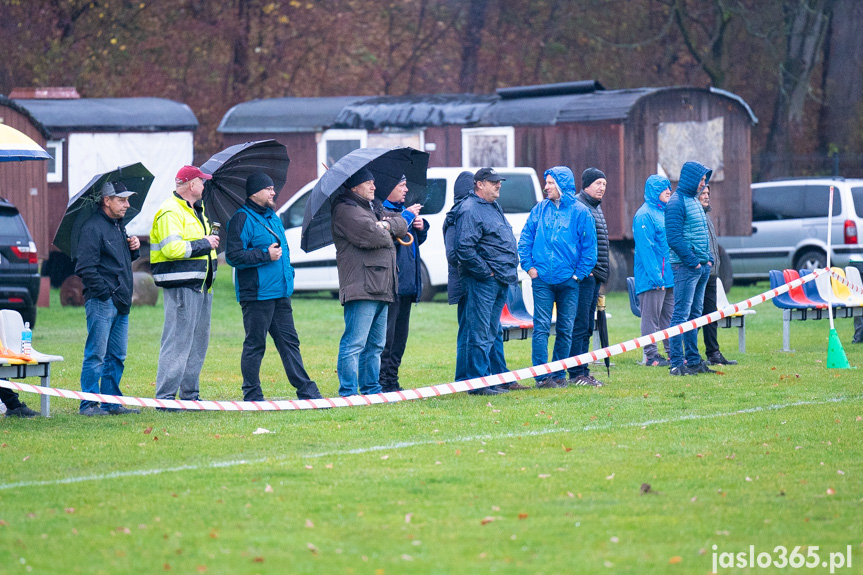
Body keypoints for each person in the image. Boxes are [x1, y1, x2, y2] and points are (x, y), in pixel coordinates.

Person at [225, 172, 324, 401]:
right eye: (268, 189)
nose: (273, 192)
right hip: (257, 294)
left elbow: (284, 252)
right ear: (254, 192)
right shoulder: (241, 219)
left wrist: (288, 274)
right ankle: (251, 394)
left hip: (280, 292)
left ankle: (307, 390)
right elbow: (233, 256)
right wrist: (264, 255)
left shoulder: (273, 217)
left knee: (290, 343)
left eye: (272, 188)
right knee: (255, 344)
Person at [332, 167, 407, 397]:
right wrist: (386, 228)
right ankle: (347, 391)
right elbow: (371, 236)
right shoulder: (346, 210)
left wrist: (385, 224)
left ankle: (371, 389)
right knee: (355, 344)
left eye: (374, 182)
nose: (374, 187)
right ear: (355, 187)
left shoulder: (373, 207)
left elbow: (402, 224)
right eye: (368, 183)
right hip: (360, 286)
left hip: (381, 285)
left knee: (375, 346)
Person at [518, 166, 596, 388]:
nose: (546, 187)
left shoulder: (581, 212)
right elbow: (525, 240)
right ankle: (542, 377)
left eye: (551, 183)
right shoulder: (539, 210)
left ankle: (559, 375)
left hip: (568, 282)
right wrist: (530, 268)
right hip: (542, 280)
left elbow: (590, 249)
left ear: (562, 185)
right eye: (547, 182)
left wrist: (577, 276)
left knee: (565, 328)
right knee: (541, 327)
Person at [150, 165, 219, 406]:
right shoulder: (171, 211)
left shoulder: (196, 211)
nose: (204, 186)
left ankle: (190, 395)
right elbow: (172, 249)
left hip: (201, 286)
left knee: (198, 342)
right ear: (191, 185)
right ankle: (166, 397)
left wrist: (208, 243)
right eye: (202, 182)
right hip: (181, 286)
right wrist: (204, 243)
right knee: (178, 340)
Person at [75, 181, 142, 416]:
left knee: (117, 356)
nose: (127, 204)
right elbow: (85, 268)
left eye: (127, 200)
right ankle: (89, 404)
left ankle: (111, 403)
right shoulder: (92, 227)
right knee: (96, 354)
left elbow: (117, 261)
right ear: (107, 201)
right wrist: (106, 294)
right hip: (103, 302)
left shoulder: (118, 226)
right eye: (122, 200)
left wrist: (133, 248)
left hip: (121, 302)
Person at [454, 168, 520, 395]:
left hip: (500, 280)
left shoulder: (492, 206)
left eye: (499, 181)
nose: (498, 185)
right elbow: (464, 248)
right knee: (480, 333)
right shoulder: (470, 209)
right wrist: (487, 273)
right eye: (493, 182)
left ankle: (487, 380)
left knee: (491, 332)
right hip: (484, 282)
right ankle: (477, 384)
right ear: (479, 184)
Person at [379, 176, 430, 393]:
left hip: (408, 285)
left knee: (400, 338)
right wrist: (407, 217)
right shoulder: (380, 211)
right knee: (387, 338)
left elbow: (410, 243)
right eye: (401, 185)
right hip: (391, 286)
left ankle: (392, 379)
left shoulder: (403, 211)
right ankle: (382, 381)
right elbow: (387, 239)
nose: (406, 189)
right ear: (389, 188)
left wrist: (421, 228)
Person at [665, 160, 714, 376]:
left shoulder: (694, 201)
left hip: (700, 267)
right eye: (701, 180)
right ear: (691, 179)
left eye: (705, 180)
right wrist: (693, 261)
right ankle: (677, 363)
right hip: (686, 268)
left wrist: (708, 258)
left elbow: (703, 234)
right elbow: (674, 238)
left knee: (695, 315)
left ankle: (694, 360)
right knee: (681, 316)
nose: (703, 185)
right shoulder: (676, 202)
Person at [566, 168, 610, 387]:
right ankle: (575, 373)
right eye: (597, 183)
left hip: (595, 274)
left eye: (604, 183)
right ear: (585, 185)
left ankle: (583, 369)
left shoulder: (594, 207)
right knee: (580, 324)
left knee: (587, 325)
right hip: (585, 275)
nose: (602, 187)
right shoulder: (579, 207)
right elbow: (573, 242)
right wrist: (585, 269)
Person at [633, 175, 675, 367]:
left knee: (669, 316)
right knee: (651, 317)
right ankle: (651, 356)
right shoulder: (644, 215)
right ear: (654, 191)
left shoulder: (664, 212)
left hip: (668, 277)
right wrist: (655, 275)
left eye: (669, 187)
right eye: (664, 188)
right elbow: (646, 248)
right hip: (652, 278)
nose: (669, 191)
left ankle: (671, 352)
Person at [699, 184, 738, 365]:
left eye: (708, 193)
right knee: (694, 315)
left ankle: (713, 353)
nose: (707, 196)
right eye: (703, 193)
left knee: (711, 315)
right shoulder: (694, 215)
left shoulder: (707, 215)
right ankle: (688, 354)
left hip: (712, 273)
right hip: (698, 272)